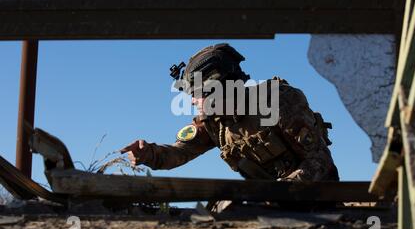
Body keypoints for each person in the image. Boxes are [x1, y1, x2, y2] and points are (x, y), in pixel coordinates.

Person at [121, 43, 339, 183]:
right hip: (271, 205)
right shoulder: (214, 123)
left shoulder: (279, 101)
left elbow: (319, 161)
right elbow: (181, 152)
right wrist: (148, 153)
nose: (193, 101)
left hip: (316, 201)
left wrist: (281, 191)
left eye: (198, 93)